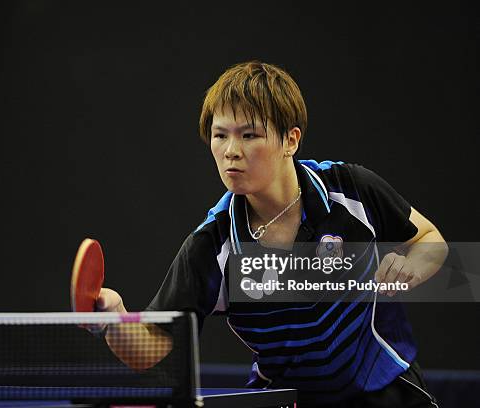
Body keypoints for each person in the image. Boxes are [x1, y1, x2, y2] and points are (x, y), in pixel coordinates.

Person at [96, 61, 448, 407]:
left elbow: (429, 239)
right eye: (220, 136)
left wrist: (412, 264)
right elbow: (152, 347)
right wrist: (114, 318)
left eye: (249, 135)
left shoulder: (349, 189)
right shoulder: (213, 245)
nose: (231, 151)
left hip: (385, 389)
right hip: (287, 398)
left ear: (290, 140)